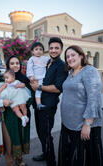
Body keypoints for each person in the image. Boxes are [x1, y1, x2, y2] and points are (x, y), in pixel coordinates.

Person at [58, 45, 103, 166]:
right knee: (70, 157)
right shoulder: (71, 73)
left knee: (83, 159)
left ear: (81, 56)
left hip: (82, 125)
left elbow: (94, 98)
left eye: (73, 55)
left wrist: (87, 123)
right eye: (67, 56)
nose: (70, 58)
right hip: (68, 124)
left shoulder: (89, 71)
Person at [31, 37, 68, 166]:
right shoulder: (47, 62)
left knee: (46, 133)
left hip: (48, 105)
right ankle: (45, 153)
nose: (53, 50)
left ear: (61, 50)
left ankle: (51, 161)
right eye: (51, 48)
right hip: (38, 103)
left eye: (56, 48)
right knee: (40, 132)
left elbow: (58, 88)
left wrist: (39, 87)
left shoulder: (62, 66)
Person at [2, 55, 34, 166]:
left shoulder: (25, 79)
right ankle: (10, 158)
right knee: (12, 136)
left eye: (17, 63)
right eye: (12, 63)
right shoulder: (5, 78)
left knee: (22, 134)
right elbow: (1, 94)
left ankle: (19, 159)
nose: (15, 65)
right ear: (8, 66)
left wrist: (26, 105)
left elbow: (32, 95)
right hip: (10, 112)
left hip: (23, 111)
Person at [26, 42, 50, 110]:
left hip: (44, 77)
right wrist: (31, 76)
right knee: (38, 91)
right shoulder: (32, 59)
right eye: (36, 49)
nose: (38, 51)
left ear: (43, 51)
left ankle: (42, 102)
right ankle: (38, 104)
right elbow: (29, 68)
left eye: (40, 49)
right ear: (32, 51)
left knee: (44, 90)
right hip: (36, 78)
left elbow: (51, 61)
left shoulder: (45, 58)